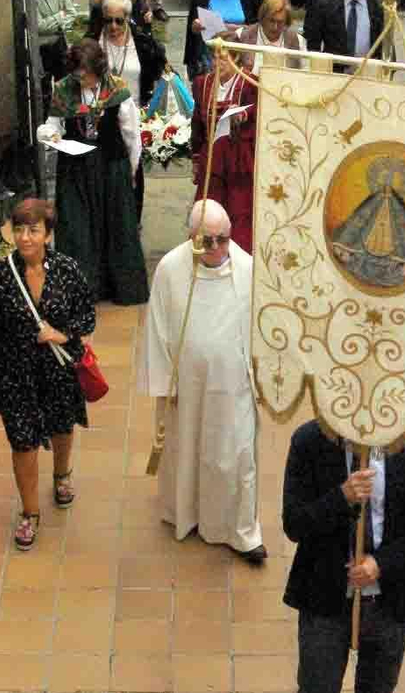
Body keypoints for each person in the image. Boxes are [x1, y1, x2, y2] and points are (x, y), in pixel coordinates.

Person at [137, 199, 266, 563]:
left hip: (232, 386)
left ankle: (241, 532)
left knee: (236, 457)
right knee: (187, 452)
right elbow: (158, 328)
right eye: (204, 241)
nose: (214, 249)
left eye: (221, 240)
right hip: (186, 390)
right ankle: (187, 515)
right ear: (190, 237)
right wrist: (166, 386)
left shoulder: (249, 270)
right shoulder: (170, 269)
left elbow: (264, 329)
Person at [282, 421, 405, 693]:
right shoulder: (308, 441)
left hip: (390, 601)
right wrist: (341, 497)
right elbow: (293, 524)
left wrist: (382, 563)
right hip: (325, 599)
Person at [0, 198, 97, 553]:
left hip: (58, 368)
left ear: (48, 233)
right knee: (23, 441)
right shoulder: (1, 277)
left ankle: (62, 474)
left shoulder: (68, 270)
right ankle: (29, 512)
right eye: (19, 229)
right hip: (17, 371)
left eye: (33, 230)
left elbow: (86, 316)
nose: (25, 237)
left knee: (62, 426)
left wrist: (60, 335)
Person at [36, 39, 150, 305]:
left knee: (117, 226)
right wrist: (51, 135)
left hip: (111, 166)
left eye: (85, 73)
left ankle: (121, 287)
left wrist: (131, 171)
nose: (80, 78)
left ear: (97, 69)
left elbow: (131, 134)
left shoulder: (117, 90)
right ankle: (83, 289)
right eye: (77, 72)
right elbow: (52, 125)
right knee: (77, 229)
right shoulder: (64, 90)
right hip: (75, 169)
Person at [190, 41, 258, 250]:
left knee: (239, 214)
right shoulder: (202, 84)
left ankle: (240, 258)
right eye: (215, 57)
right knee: (208, 211)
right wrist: (195, 159)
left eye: (223, 57)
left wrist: (243, 115)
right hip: (211, 159)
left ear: (236, 59)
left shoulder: (250, 83)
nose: (217, 62)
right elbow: (197, 124)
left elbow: (258, 115)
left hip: (239, 160)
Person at [183, 0, 261, 78]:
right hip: (208, 57)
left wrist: (232, 28)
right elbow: (192, 29)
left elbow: (255, 28)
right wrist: (196, 25)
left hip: (238, 57)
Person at [305, 0, 386, 62]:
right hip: (334, 71)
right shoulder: (324, 5)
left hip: (369, 70)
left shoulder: (379, 5)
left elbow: (387, 42)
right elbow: (313, 44)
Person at [98, 0, 165, 105]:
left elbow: (162, 75)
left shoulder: (143, 43)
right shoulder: (93, 43)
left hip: (136, 112)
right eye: (108, 20)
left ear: (127, 18)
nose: (113, 26)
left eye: (119, 21)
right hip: (101, 114)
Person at [224, 0, 305, 74]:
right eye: (271, 20)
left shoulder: (298, 41)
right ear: (263, 17)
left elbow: (305, 74)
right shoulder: (241, 36)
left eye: (280, 22)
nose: (275, 27)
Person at [32, 0, 77, 83]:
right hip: (41, 47)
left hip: (59, 43)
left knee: (64, 84)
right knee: (43, 89)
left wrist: (57, 22)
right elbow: (38, 26)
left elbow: (71, 13)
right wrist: (60, 17)